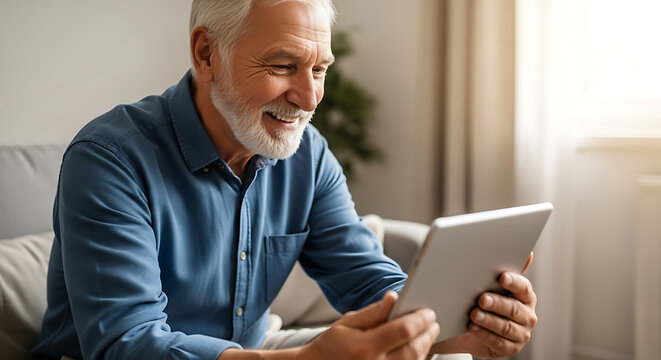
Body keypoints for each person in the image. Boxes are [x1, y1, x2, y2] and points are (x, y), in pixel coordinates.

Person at [33, 1, 538, 359]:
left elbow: (370, 283)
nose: (310, 97)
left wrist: (469, 326)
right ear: (206, 54)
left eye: (319, 69)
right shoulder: (109, 158)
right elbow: (126, 344)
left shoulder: (307, 156)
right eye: (283, 65)